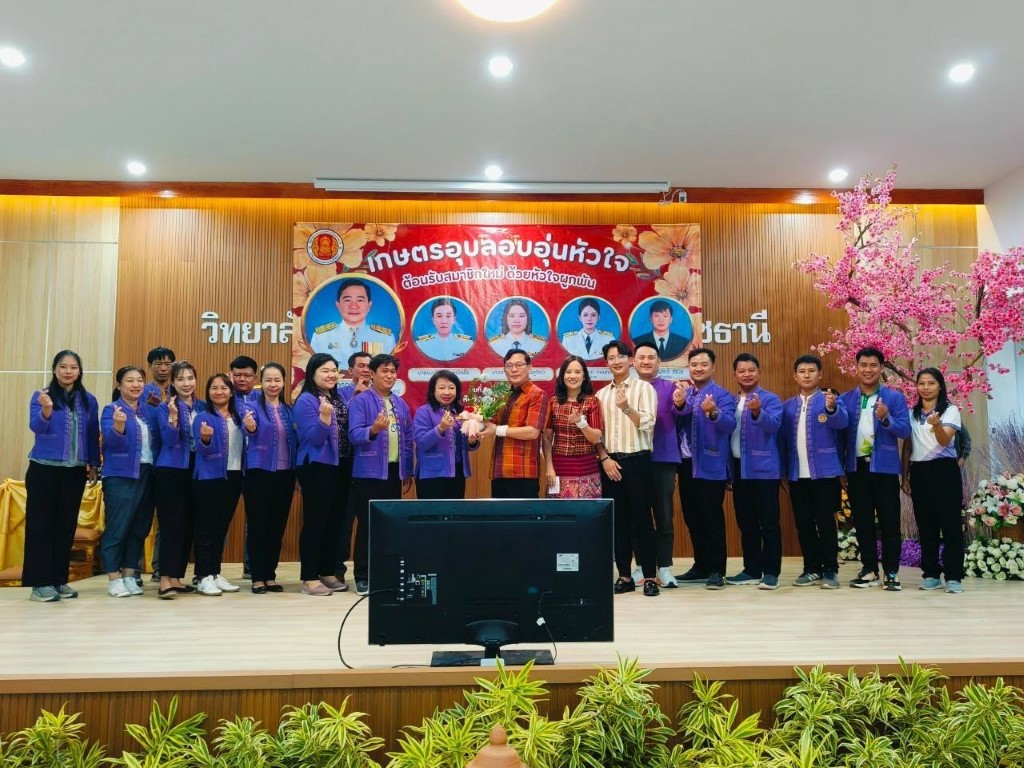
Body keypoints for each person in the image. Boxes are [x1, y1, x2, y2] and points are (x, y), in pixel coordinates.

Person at [23, 350, 100, 603]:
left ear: (79, 371)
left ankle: (58, 579)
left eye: (73, 367)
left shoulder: (88, 400)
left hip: (74, 470)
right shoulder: (42, 396)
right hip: (44, 468)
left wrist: (93, 463)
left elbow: (92, 433)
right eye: (63, 366)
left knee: (66, 526)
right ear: (55, 369)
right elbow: (36, 427)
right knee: (41, 526)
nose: (68, 371)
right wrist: (46, 409)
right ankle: (40, 583)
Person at [839, 347, 911, 591]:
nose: (868, 370)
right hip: (856, 468)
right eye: (863, 365)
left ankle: (891, 572)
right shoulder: (846, 399)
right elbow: (839, 436)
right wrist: (840, 468)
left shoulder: (894, 398)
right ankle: (869, 569)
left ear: (881, 368)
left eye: (873, 365)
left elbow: (905, 430)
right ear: (856, 368)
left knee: (890, 521)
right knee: (863, 522)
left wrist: (886, 418)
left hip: (885, 469)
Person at [596, 341, 659, 596]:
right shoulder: (601, 395)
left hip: (638, 460)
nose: (616, 361)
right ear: (606, 363)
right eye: (611, 357)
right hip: (611, 463)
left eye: (621, 356)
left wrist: (626, 409)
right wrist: (605, 459)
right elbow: (597, 434)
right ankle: (624, 576)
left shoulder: (644, 388)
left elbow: (648, 423)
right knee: (618, 521)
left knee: (643, 519)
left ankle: (650, 577)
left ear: (630, 360)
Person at [348, 353, 414, 595]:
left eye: (392, 371)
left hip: (394, 472)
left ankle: (385, 574)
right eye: (384, 371)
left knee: (389, 525)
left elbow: (408, 439)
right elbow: (353, 435)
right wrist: (374, 429)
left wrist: (407, 470)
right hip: (368, 473)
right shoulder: (361, 401)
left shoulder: (400, 403)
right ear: (373, 374)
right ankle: (362, 576)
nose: (389, 375)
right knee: (368, 525)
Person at [780, 355, 849, 590]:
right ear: (795, 376)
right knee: (804, 524)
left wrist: (832, 408)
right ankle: (811, 568)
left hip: (825, 474)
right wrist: (783, 472)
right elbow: (782, 441)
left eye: (811, 371)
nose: (807, 375)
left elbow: (842, 423)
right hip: (797, 474)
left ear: (820, 375)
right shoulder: (788, 406)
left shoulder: (831, 400)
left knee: (826, 523)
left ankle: (830, 569)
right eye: (802, 371)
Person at [672, 346, 737, 590]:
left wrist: (713, 413)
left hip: (711, 464)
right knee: (692, 517)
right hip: (686, 465)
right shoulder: (684, 393)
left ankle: (716, 570)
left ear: (713, 367)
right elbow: (675, 419)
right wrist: (679, 405)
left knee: (712, 519)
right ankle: (700, 566)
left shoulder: (722, 395)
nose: (698, 368)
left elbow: (729, 425)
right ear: (688, 368)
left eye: (703, 364)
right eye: (694, 365)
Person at [902, 368, 965, 594]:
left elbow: (944, 440)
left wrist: (937, 424)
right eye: (922, 383)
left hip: (944, 470)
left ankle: (954, 576)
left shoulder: (950, 410)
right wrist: (905, 475)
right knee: (926, 526)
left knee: (950, 526)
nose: (926, 387)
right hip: (919, 471)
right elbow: (907, 447)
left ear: (940, 386)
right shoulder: (911, 413)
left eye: (931, 383)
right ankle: (930, 574)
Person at [293, 353, 351, 596]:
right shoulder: (306, 400)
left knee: (334, 521)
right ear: (312, 373)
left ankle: (326, 572)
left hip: (341, 465)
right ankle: (309, 577)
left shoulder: (337, 398)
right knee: (316, 522)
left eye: (334, 370)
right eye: (325, 371)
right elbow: (314, 439)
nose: (331, 375)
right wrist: (325, 418)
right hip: (317, 466)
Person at [100, 366, 160, 598]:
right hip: (121, 475)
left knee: (139, 527)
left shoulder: (149, 411)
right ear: (119, 385)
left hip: (148, 473)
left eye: (139, 380)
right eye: (130, 380)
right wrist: (118, 425)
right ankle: (114, 578)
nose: (136, 385)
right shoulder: (111, 410)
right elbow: (112, 443)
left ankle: (129, 574)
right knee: (117, 527)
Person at [726, 353, 784, 590]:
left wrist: (758, 412)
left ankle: (771, 572)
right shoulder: (730, 401)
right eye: (742, 371)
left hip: (764, 470)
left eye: (751, 370)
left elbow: (774, 425)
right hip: (739, 469)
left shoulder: (770, 399)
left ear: (759, 372)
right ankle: (751, 569)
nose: (747, 374)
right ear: (735, 375)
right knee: (746, 522)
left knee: (769, 523)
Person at [191, 375, 248, 596]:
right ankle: (202, 575)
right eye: (214, 388)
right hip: (209, 478)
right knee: (206, 528)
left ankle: (214, 572)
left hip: (234, 476)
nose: (219, 391)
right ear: (208, 393)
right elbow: (200, 450)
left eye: (224, 387)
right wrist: (205, 439)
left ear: (231, 392)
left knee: (221, 528)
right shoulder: (203, 417)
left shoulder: (239, 416)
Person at [243, 363, 296, 594]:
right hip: (259, 473)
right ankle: (257, 576)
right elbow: (248, 430)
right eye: (268, 380)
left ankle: (270, 575)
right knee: (258, 526)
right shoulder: (251, 407)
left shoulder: (288, 410)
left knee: (277, 526)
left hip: (285, 474)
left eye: (277, 380)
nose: (273, 384)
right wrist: (250, 427)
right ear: (261, 382)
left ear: (283, 382)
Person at [632, 341, 681, 588]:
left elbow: (681, 412)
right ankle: (642, 566)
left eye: (651, 357)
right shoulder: (626, 389)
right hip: (634, 459)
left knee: (664, 516)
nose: (646, 361)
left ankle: (664, 568)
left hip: (662, 459)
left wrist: (681, 403)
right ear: (633, 361)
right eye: (641, 357)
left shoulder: (671, 388)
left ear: (659, 362)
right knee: (638, 516)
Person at [154, 361, 205, 597]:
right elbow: (169, 441)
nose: (186, 383)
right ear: (173, 383)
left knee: (188, 525)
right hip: (171, 470)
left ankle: (176, 577)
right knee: (171, 525)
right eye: (181, 379)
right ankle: (165, 579)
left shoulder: (203, 407)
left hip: (196, 470)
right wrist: (173, 418)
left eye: (190, 378)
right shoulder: (165, 408)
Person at [483, 349, 548, 498]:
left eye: (519, 365)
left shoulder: (537, 394)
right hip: (499, 470)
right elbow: (490, 423)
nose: (514, 369)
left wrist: (497, 430)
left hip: (523, 473)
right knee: (499, 513)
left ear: (529, 367)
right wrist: (473, 421)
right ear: (504, 369)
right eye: (509, 365)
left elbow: (532, 432)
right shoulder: (503, 394)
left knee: (523, 514)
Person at [542, 356, 605, 499]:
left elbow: (595, 437)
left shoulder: (593, 402)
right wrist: (549, 467)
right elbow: (546, 438)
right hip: (559, 465)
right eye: (568, 372)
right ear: (562, 376)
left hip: (587, 465)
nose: (572, 376)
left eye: (577, 372)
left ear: (584, 376)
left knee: (588, 510)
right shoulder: (553, 402)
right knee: (559, 509)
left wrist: (581, 423)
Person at [414, 370, 480, 499]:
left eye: (451, 388)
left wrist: (472, 441)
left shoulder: (461, 413)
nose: (447, 392)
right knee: (432, 512)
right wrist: (441, 428)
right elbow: (421, 443)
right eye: (441, 388)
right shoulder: (423, 412)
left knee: (455, 511)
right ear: (433, 390)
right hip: (431, 474)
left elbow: (466, 445)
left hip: (457, 473)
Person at [142, 346, 175, 583]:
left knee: (166, 519)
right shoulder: (141, 391)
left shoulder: (179, 391)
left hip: (170, 464)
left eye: (168, 364)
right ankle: (132, 570)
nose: (163, 368)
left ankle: (160, 567)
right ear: (150, 366)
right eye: (158, 364)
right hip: (145, 462)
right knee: (141, 518)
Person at [309, 279, 396, 356]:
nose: (354, 306)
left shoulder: (385, 338)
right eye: (347, 300)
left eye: (360, 300)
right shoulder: (321, 337)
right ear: (338, 305)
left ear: (369, 306)